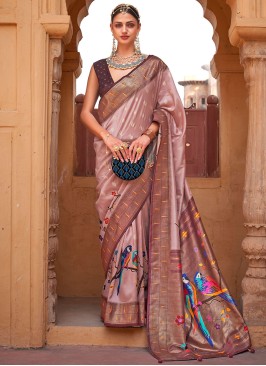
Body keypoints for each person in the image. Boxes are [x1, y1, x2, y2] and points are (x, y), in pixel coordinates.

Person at [80, 3, 252, 362]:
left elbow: (168, 108)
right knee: (114, 225)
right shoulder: (99, 68)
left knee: (140, 226)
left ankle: (139, 304)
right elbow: (86, 112)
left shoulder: (154, 67)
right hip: (110, 160)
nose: (124, 30)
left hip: (143, 158)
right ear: (111, 29)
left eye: (129, 24)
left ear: (138, 28)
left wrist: (146, 136)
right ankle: (117, 302)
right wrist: (110, 140)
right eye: (118, 25)